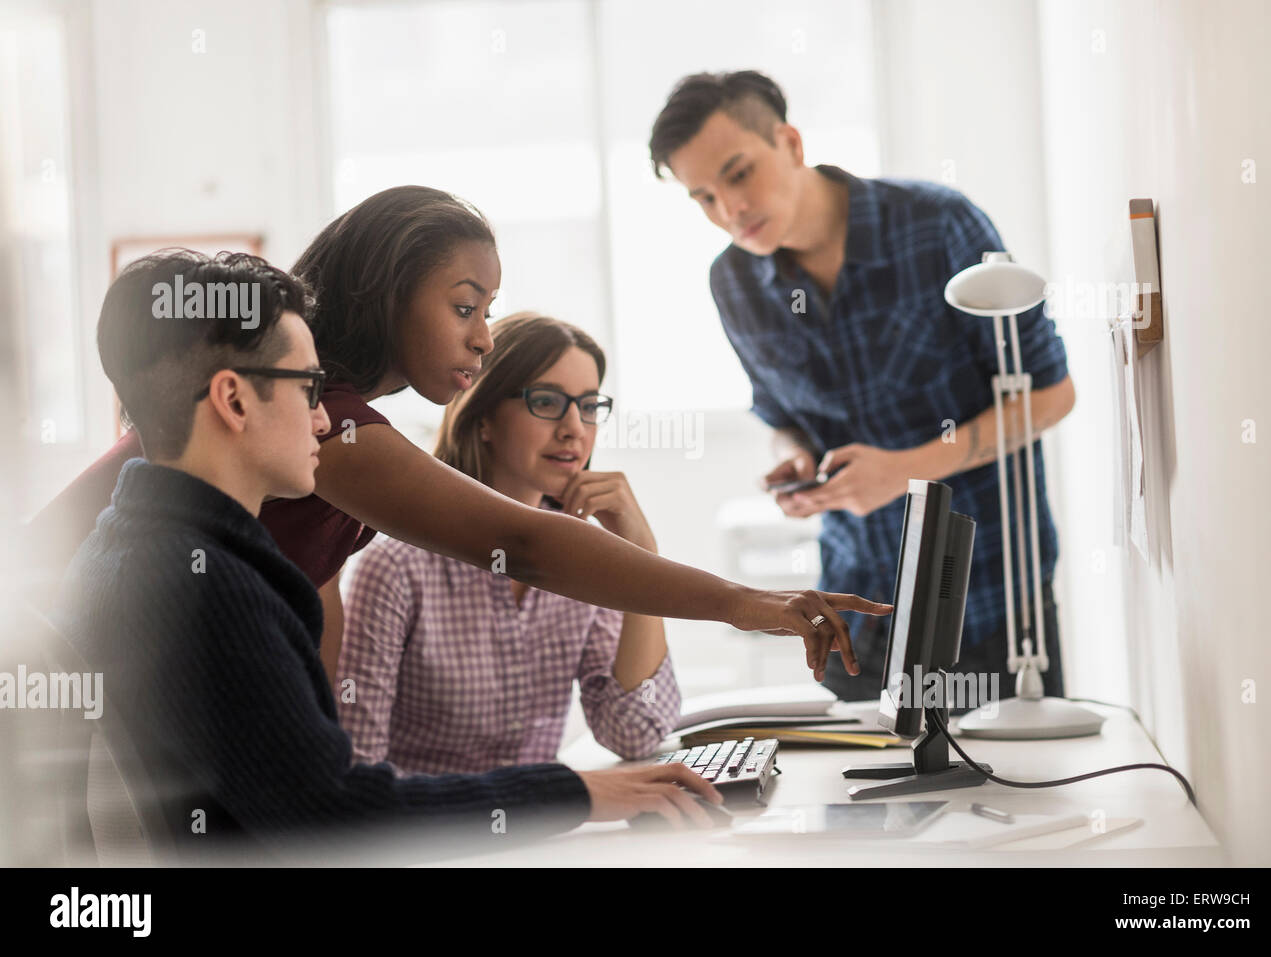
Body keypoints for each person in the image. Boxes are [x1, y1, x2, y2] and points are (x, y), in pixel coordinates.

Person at [31, 186, 892, 690]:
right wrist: (753, 604)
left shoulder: (332, 421)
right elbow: (521, 541)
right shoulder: (314, 417)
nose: (485, 336)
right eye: (464, 306)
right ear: (387, 292)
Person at [56, 251, 727, 863]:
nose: (326, 420)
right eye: (308, 388)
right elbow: (341, 814)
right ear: (234, 399)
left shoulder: (128, 551)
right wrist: (578, 793)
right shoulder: (209, 587)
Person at [649, 71, 1076, 702]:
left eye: (739, 175)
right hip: (857, 612)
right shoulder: (732, 283)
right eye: (704, 198)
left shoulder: (938, 225)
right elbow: (780, 416)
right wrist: (790, 459)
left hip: (991, 600)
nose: (729, 211)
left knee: (1015, 794)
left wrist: (905, 471)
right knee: (864, 799)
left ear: (790, 143)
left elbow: (1050, 397)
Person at [339, 312, 680, 772]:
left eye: (589, 406)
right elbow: (357, 768)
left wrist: (641, 556)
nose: (574, 429)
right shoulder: (395, 568)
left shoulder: (582, 556)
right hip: (428, 837)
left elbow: (635, 733)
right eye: (546, 401)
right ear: (484, 418)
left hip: (542, 833)